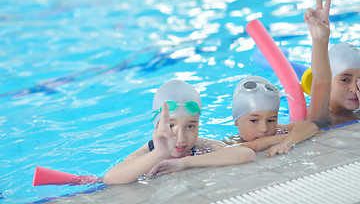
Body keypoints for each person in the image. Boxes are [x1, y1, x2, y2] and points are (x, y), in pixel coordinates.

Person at [103, 80, 256, 185]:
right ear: (157, 126)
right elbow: (110, 178)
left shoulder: (201, 145)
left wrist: (184, 163)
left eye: (190, 127)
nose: (181, 138)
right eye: (170, 126)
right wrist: (157, 155)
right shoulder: (149, 151)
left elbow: (246, 154)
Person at [304, 0, 360, 125]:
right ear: (330, 82)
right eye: (345, 79)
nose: (355, 88)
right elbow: (322, 80)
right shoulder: (322, 115)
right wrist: (320, 41)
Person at [223, 76, 318, 156]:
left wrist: (287, 142)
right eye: (254, 120)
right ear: (236, 120)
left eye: (271, 121)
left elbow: (310, 126)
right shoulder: (231, 143)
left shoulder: (279, 130)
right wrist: (254, 145)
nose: (264, 129)